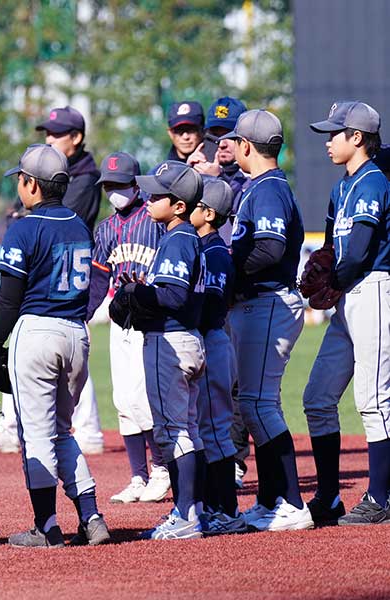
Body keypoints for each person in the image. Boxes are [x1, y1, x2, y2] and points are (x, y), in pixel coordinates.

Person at [0, 144, 110, 548]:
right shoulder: (79, 226)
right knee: (61, 432)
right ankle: (91, 517)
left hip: (37, 331)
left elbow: (9, 298)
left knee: (35, 435)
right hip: (75, 334)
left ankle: (46, 526)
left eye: (21, 179)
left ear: (32, 185)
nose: (18, 186)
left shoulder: (24, 228)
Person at [219, 109, 313, 532]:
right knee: (256, 404)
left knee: (259, 404)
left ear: (245, 146)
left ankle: (292, 503)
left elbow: (271, 248)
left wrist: (231, 275)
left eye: (234, 140)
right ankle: (271, 499)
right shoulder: (262, 186)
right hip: (261, 303)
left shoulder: (269, 187)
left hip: (268, 302)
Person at [304, 101, 390, 526]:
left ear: (357, 138)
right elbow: (332, 249)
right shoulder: (342, 186)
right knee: (317, 397)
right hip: (349, 296)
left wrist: (332, 279)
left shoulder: (373, 181)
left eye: (334, 134)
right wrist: (324, 270)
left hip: (373, 289)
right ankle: (329, 496)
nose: (327, 141)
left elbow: (357, 253)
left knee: (373, 399)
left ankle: (380, 498)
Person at [115, 161, 207, 540]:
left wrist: (135, 292)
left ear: (180, 206)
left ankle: (185, 516)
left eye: (158, 194)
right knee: (188, 430)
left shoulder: (178, 238)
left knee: (172, 431)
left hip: (169, 342)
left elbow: (172, 296)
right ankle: (193, 511)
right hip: (187, 340)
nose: (149, 199)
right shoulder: (184, 237)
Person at [86, 152, 171, 504]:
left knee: (143, 399)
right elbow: (97, 280)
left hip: (150, 321)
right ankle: (138, 476)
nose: (114, 191)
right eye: (108, 185)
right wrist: (82, 315)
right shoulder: (106, 229)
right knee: (123, 400)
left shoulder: (154, 220)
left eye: (120, 184)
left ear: (136, 185)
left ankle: (162, 469)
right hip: (121, 321)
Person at [36, 106, 105, 454]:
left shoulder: (86, 178)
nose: (49, 139)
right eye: (47, 133)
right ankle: (15, 425)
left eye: (57, 133)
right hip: (47, 269)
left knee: (74, 352)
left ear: (76, 137)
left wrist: (28, 216)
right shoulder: (47, 174)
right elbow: (15, 217)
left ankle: (88, 428)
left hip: (72, 271)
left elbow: (59, 219)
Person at [189, 179, 245, 535]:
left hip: (212, 340)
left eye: (195, 204)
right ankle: (216, 507)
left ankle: (226, 510)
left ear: (209, 214)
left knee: (214, 430)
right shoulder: (206, 248)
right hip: (211, 340)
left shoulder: (215, 253)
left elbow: (209, 306)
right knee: (209, 428)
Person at [188, 97, 251, 245]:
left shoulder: (252, 175)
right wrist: (186, 177)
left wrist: (216, 182)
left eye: (229, 135)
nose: (222, 143)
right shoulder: (196, 171)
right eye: (216, 135)